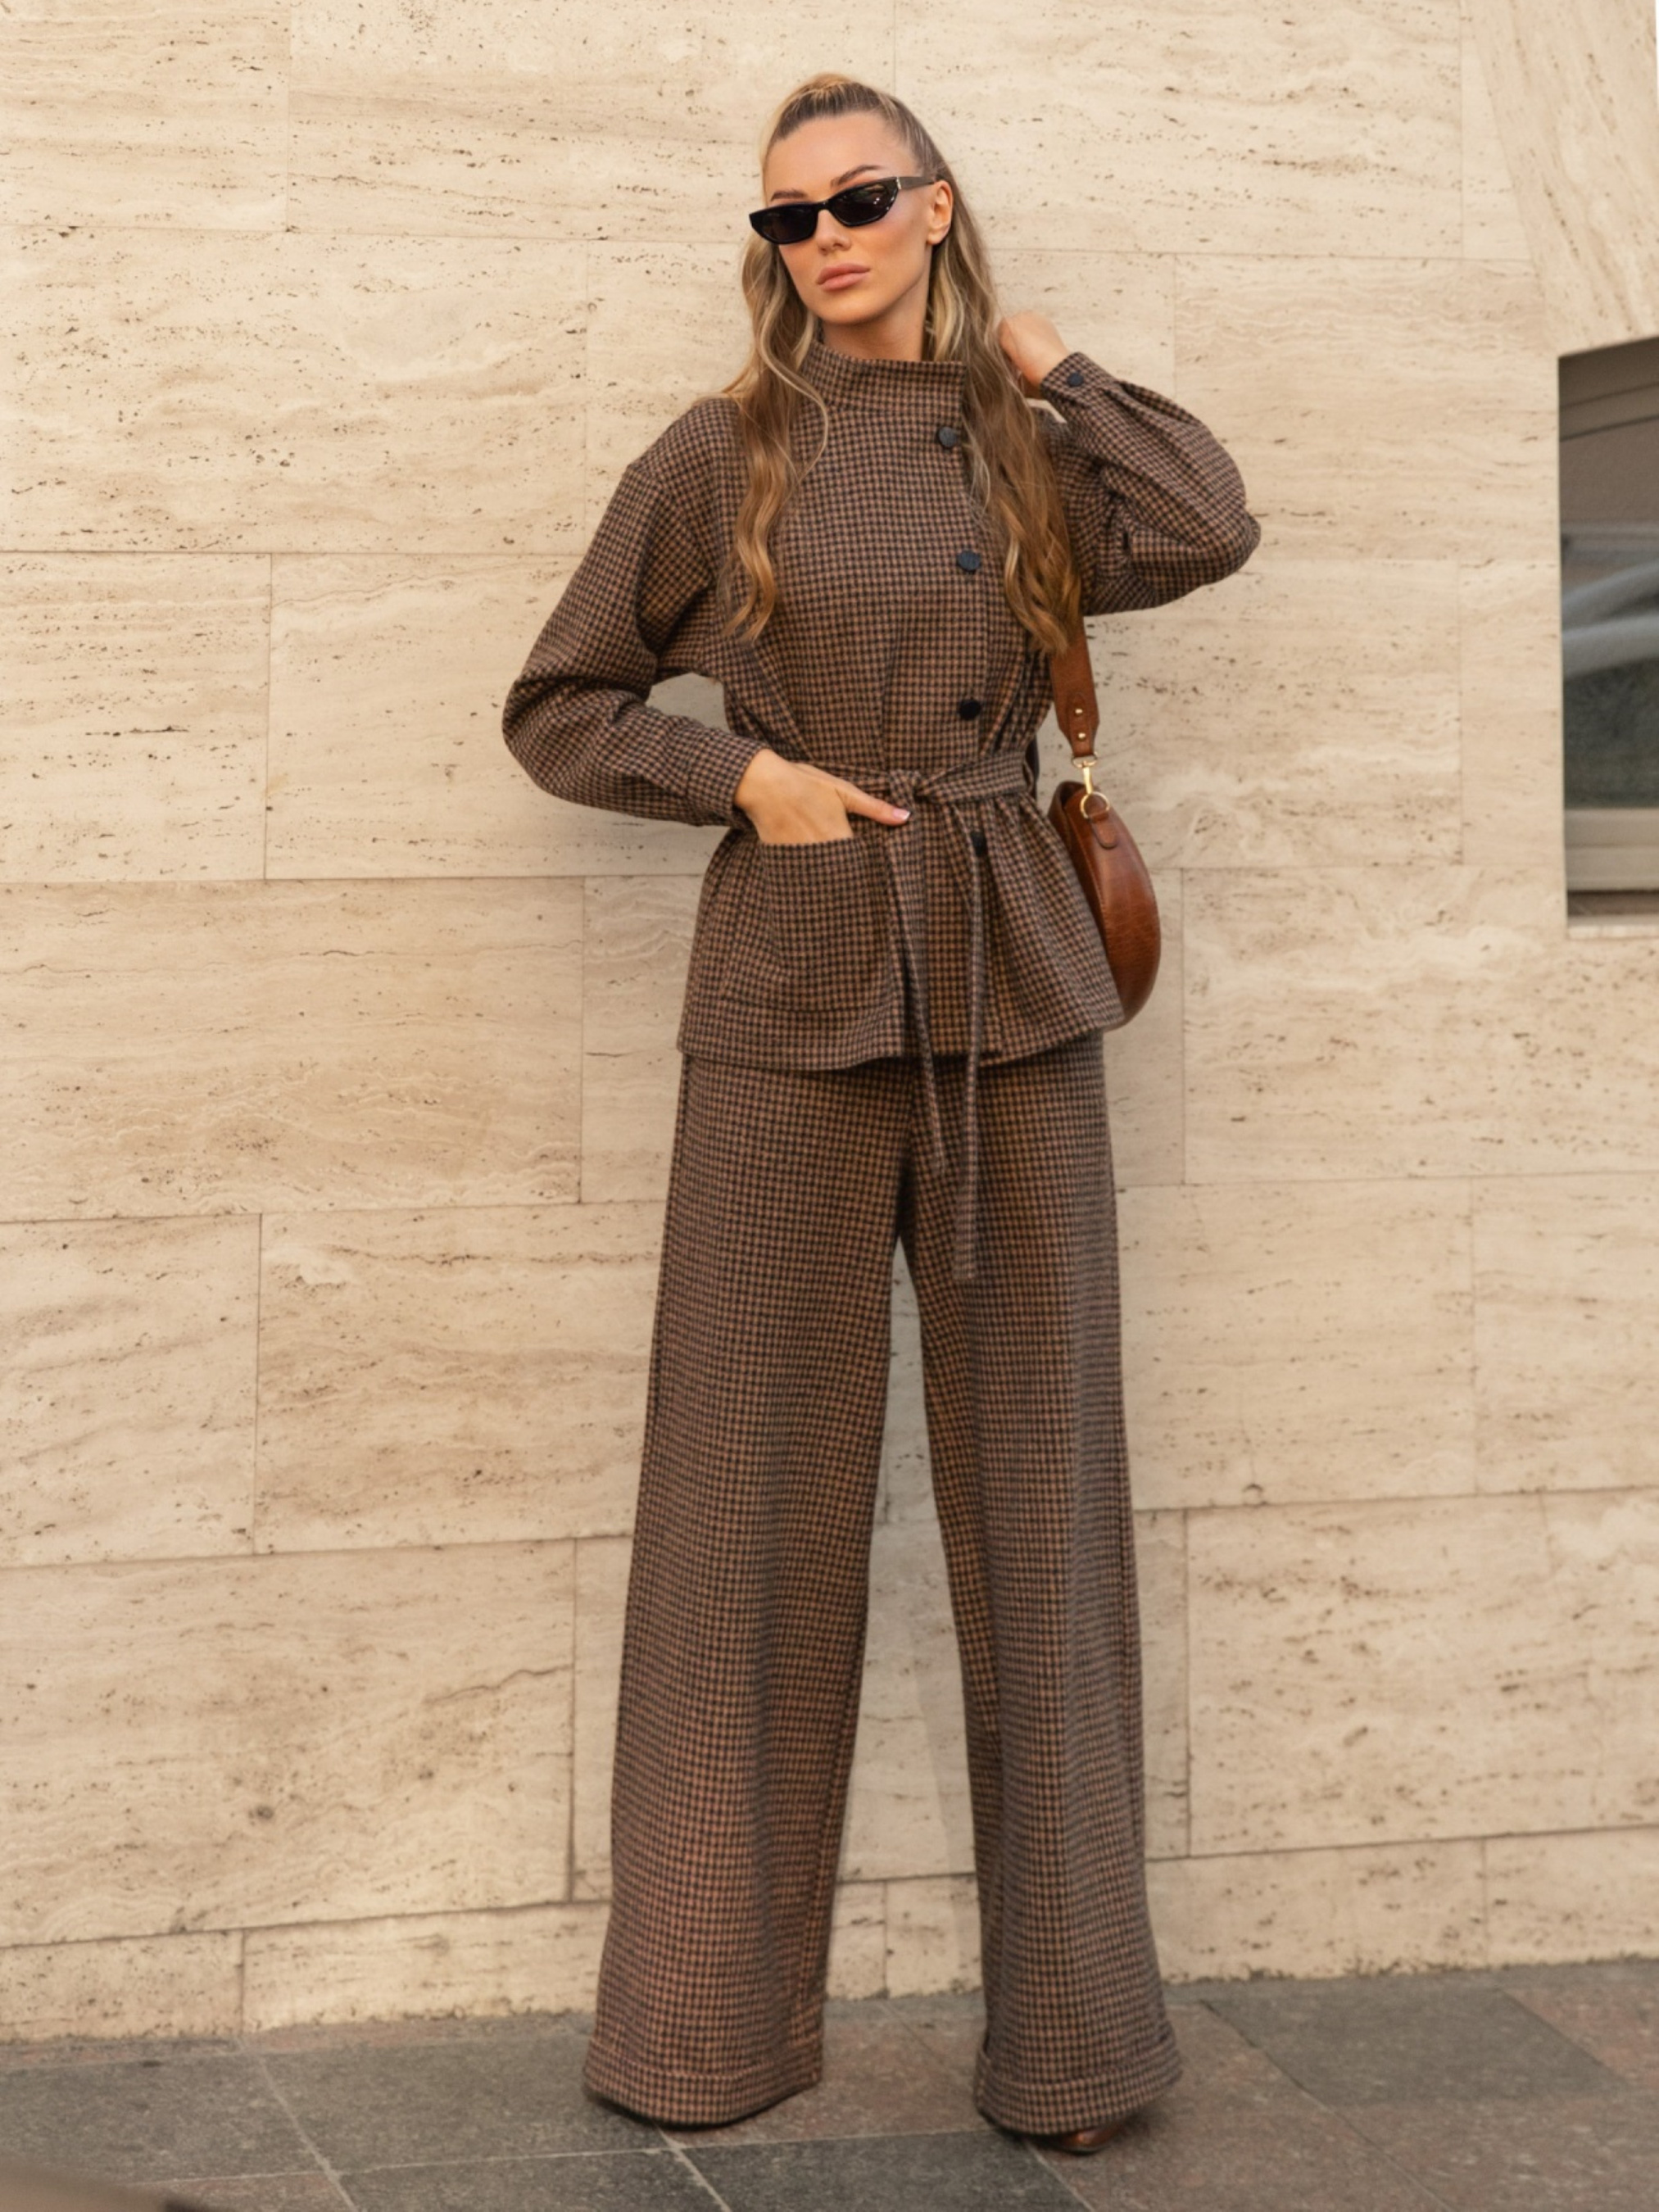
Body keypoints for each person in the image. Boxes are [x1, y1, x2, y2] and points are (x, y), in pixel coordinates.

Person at [501, 71, 1261, 2154]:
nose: (818, 241)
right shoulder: (720, 451)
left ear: (931, 206)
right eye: (784, 218)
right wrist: (733, 778)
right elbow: (559, 702)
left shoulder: (1026, 444)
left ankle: (1077, 2049)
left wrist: (1043, 352)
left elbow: (1205, 521)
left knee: (1044, 1510)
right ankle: (696, 2032)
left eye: (854, 201)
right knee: (739, 1511)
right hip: (790, 983)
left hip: (1013, 976)